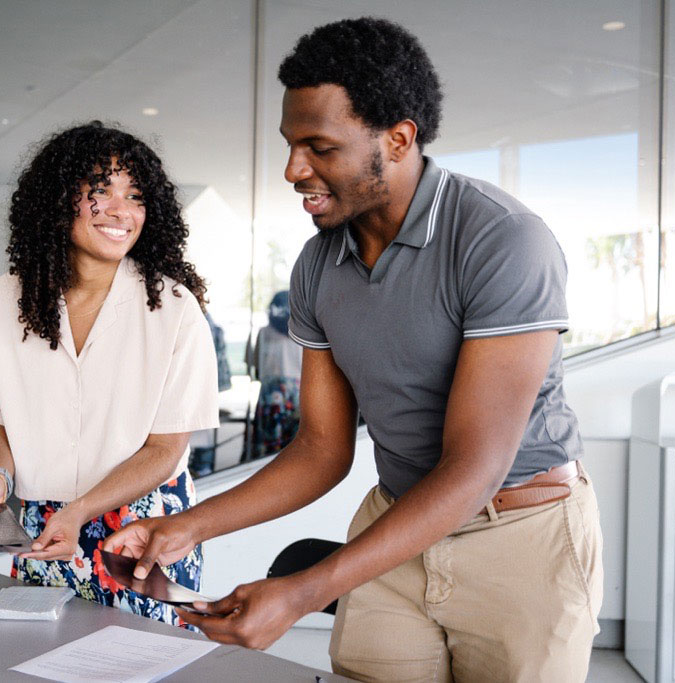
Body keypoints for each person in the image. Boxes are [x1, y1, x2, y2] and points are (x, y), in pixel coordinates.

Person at [104, 17, 602, 681]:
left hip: (520, 532)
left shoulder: (502, 239)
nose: (293, 168)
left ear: (397, 140)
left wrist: (306, 589)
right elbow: (321, 449)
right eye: (289, 144)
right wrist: (187, 528)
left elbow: (474, 466)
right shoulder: (317, 265)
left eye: (319, 146)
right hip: (396, 521)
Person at [0, 121, 218, 628]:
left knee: (135, 664)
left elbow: (164, 450)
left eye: (135, 196)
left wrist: (80, 510)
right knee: (38, 659)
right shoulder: (7, 298)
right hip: (45, 530)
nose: (120, 210)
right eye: (99, 191)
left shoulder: (175, 308)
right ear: (58, 200)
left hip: (140, 531)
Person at [248, 290, 302, 458]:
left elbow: (255, 368)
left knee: (269, 448)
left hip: (270, 395)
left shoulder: (264, 333)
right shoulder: (304, 333)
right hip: (298, 394)